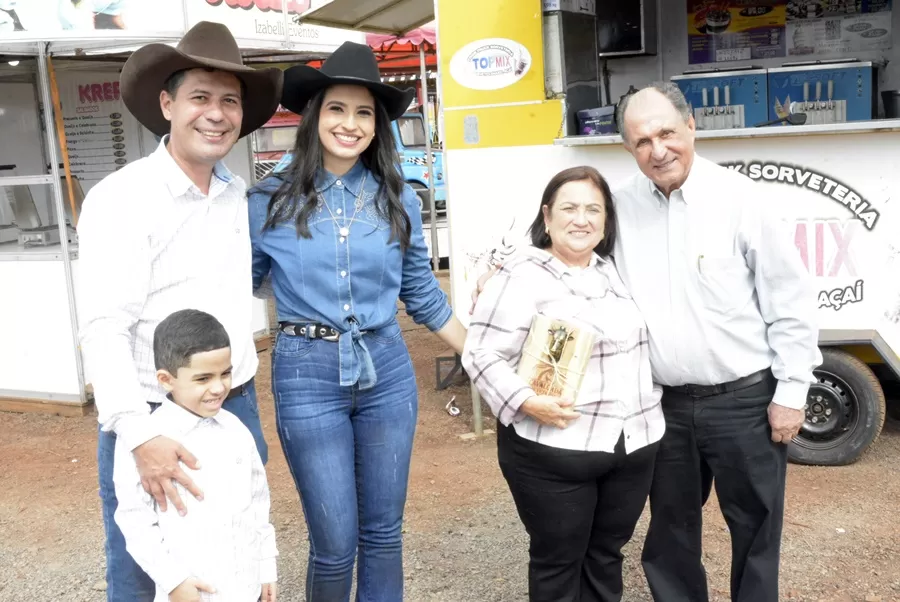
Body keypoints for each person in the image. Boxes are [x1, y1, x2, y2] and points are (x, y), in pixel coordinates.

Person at [473, 82, 821, 602]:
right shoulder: (618, 206)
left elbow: (790, 301)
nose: (658, 150)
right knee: (670, 534)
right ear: (627, 147)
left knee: (756, 528)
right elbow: (565, 235)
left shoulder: (742, 200)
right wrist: (498, 267)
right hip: (663, 409)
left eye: (667, 133)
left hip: (744, 401)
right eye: (642, 141)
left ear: (691, 126)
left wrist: (791, 392)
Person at [247, 41, 467, 601]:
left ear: (378, 125)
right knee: (335, 541)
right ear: (314, 114)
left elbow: (421, 292)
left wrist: (482, 355)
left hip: (386, 369)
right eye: (337, 109)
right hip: (305, 373)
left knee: (384, 533)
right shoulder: (268, 200)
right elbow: (237, 286)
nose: (350, 124)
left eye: (364, 112)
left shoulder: (399, 199)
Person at [76, 21, 282, 602]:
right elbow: (105, 326)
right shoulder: (122, 198)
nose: (216, 114)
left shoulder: (235, 194)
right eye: (200, 97)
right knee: (145, 574)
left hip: (233, 401)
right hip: (153, 412)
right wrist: (139, 436)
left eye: (230, 101)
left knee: (232, 553)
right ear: (167, 105)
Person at [463, 166, 664, 602]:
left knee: (606, 557)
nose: (582, 219)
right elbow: (481, 353)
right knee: (558, 565)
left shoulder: (616, 272)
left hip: (631, 445)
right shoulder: (520, 275)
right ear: (547, 216)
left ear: (607, 221)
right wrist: (525, 401)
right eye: (570, 208)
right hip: (554, 449)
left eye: (594, 209)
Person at [113, 309, 278, 602]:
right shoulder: (146, 443)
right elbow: (135, 520)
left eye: (225, 373)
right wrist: (173, 581)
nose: (218, 387)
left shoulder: (236, 429)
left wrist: (266, 566)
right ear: (166, 379)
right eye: (203, 379)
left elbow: (257, 501)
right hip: (192, 594)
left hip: (246, 590)